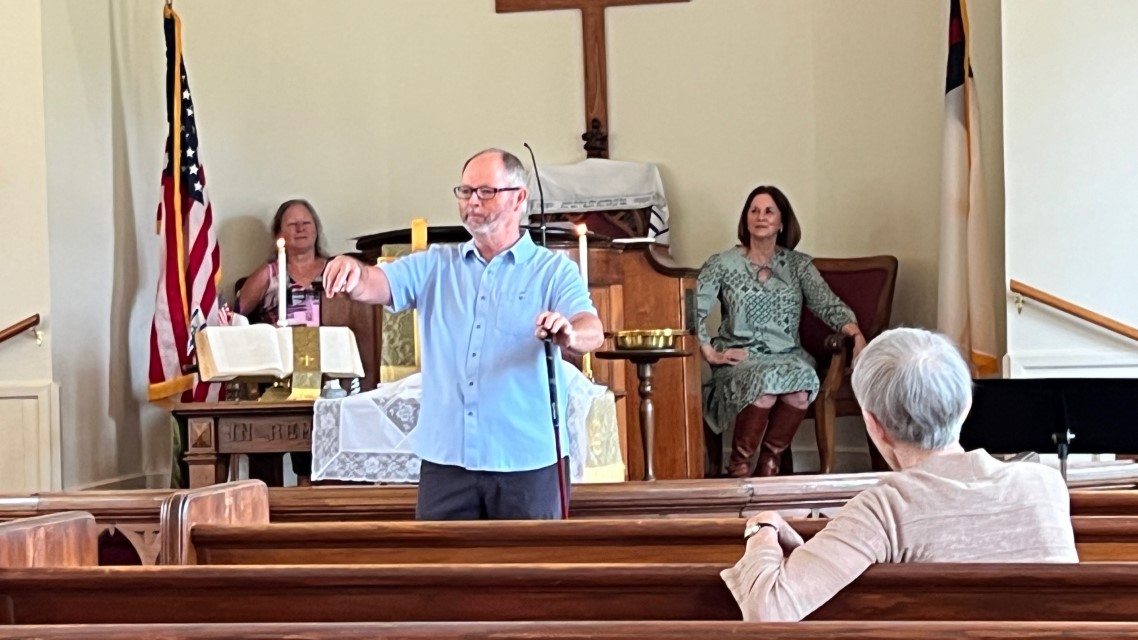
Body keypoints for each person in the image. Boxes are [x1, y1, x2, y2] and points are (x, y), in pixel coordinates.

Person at [721, 328, 1079, 622]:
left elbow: (767, 610)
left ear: (874, 425)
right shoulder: (1045, 485)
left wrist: (763, 528)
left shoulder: (884, 509)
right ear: (966, 406)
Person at [323, 148, 604, 520]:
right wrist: (354, 272)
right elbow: (376, 282)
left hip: (527, 461)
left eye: (486, 192)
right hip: (447, 462)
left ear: (519, 198)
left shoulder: (552, 271)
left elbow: (592, 328)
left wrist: (569, 333)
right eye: (465, 191)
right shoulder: (436, 266)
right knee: (441, 561)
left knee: (529, 560)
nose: (472, 201)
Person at [697, 186, 865, 477]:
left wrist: (856, 333)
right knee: (763, 387)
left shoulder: (799, 266)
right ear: (746, 219)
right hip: (743, 357)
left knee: (802, 384)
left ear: (782, 222)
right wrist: (709, 351)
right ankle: (739, 465)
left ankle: (769, 463)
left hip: (788, 355)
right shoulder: (721, 263)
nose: (760, 217)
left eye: (769, 211)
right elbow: (693, 307)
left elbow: (826, 303)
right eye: (754, 211)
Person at [236, 198, 330, 486]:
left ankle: (315, 492)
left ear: (316, 229)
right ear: (279, 234)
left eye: (306, 223)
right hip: (279, 375)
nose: (300, 228)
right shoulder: (269, 275)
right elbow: (236, 318)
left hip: (328, 370)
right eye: (292, 224)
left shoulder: (334, 269)